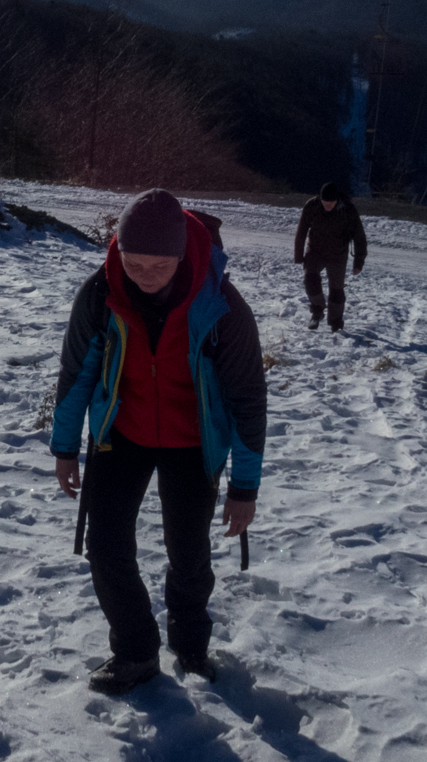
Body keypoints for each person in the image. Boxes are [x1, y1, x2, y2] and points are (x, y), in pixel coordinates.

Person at [50, 189, 268, 695]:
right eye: (133, 264)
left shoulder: (222, 307)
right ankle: (135, 651)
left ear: (181, 256)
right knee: (105, 547)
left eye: (158, 267)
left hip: (193, 444)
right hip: (121, 434)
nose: (143, 277)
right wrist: (65, 448)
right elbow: (76, 373)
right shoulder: (101, 293)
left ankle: (191, 646)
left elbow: (248, 399)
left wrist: (245, 487)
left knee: (189, 553)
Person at [293, 181, 368, 332]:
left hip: (338, 254)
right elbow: (301, 232)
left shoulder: (347, 209)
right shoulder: (312, 206)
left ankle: (335, 323)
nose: (327, 205)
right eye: (325, 202)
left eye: (331, 203)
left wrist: (358, 262)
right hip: (315, 251)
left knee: (336, 290)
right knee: (310, 279)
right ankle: (317, 311)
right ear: (320, 199)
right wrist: (298, 255)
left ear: (337, 200)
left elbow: (359, 237)